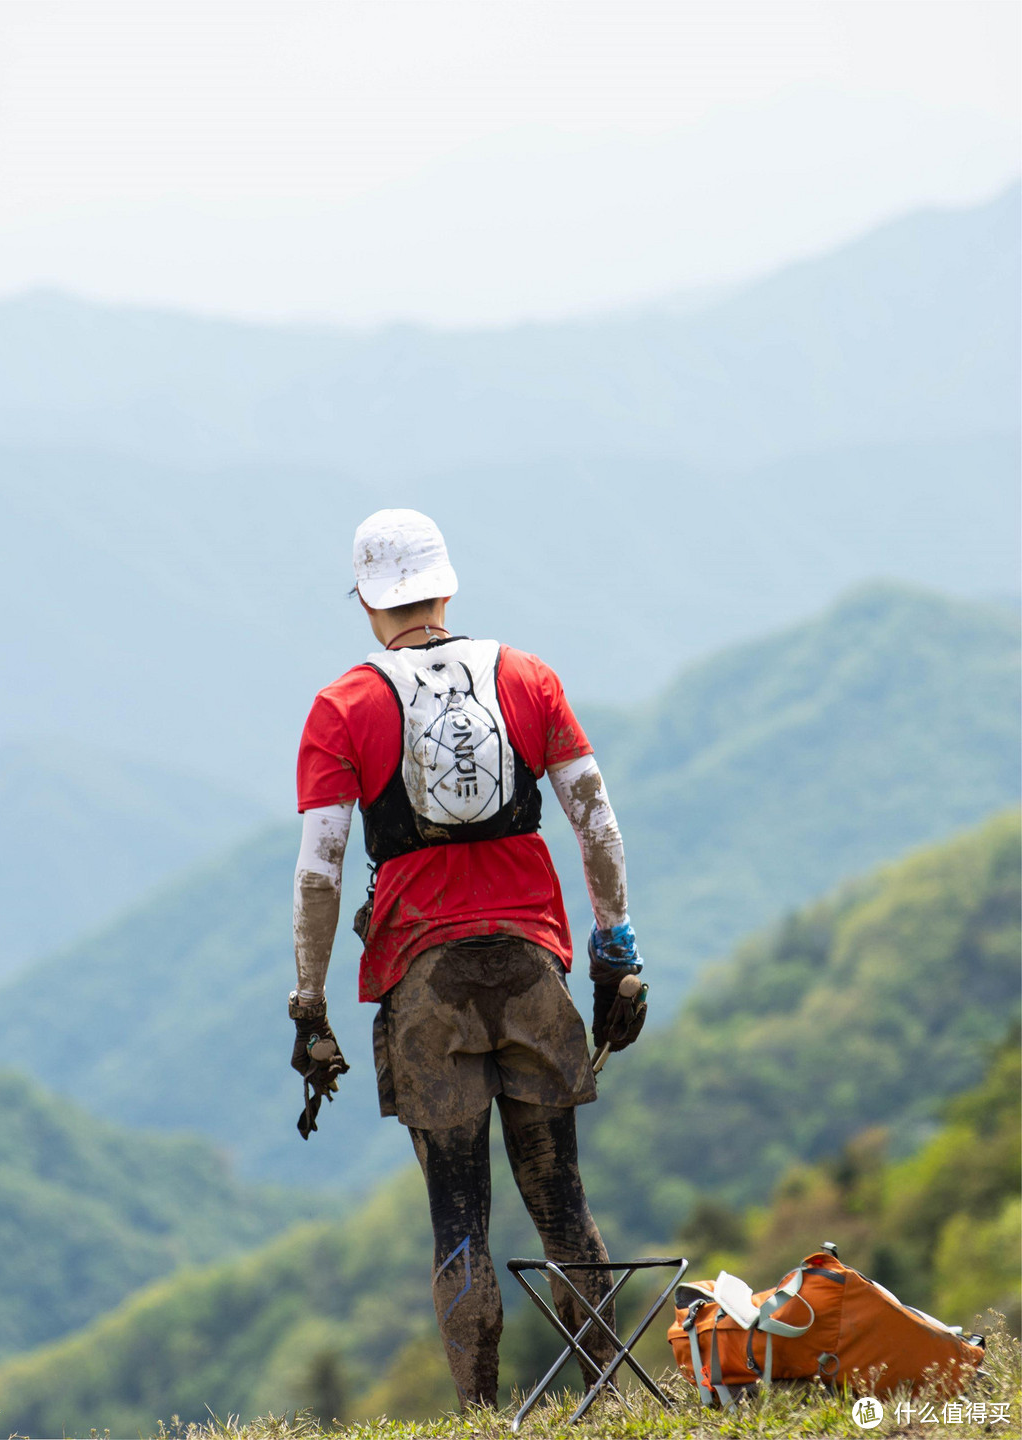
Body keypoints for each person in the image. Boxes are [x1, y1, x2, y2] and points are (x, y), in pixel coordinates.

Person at [289, 508, 648, 1409]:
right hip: (531, 968)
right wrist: (615, 949)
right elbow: (595, 820)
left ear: (369, 603)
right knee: (562, 1202)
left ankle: (483, 1419)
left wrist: (309, 1002)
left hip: (424, 988)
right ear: (446, 586)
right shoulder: (527, 679)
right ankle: (603, 1401)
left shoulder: (344, 707)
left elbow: (320, 871)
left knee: (458, 1217)